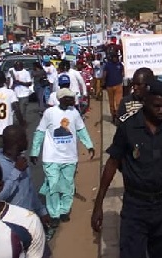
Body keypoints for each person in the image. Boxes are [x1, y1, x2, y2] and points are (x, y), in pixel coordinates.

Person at [91, 80, 162, 258]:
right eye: (156, 106)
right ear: (145, 102)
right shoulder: (128, 127)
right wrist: (99, 203)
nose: (161, 111)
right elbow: (113, 163)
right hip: (135, 207)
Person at [30, 88, 95, 228]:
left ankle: (64, 210)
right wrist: (34, 151)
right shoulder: (49, 113)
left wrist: (89, 145)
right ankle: (54, 214)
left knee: (68, 186)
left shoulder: (74, 113)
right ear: (61, 99)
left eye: (73, 98)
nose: (73, 100)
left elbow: (81, 130)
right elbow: (40, 132)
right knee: (52, 186)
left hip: (70, 157)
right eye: (69, 98)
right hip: (51, 157)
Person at [0, 126, 51, 230]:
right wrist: (17, 172)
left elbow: (30, 189)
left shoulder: (21, 160)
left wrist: (41, 211)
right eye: (25, 138)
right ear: (17, 142)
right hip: (11, 226)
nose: (28, 140)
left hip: (29, 221)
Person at [103, 54, 124, 123]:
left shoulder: (120, 64)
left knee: (118, 102)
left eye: (116, 57)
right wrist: (103, 82)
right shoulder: (107, 65)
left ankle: (118, 116)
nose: (115, 58)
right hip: (110, 86)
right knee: (111, 102)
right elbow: (105, 74)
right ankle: (113, 116)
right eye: (114, 57)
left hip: (118, 85)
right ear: (112, 58)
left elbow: (123, 73)